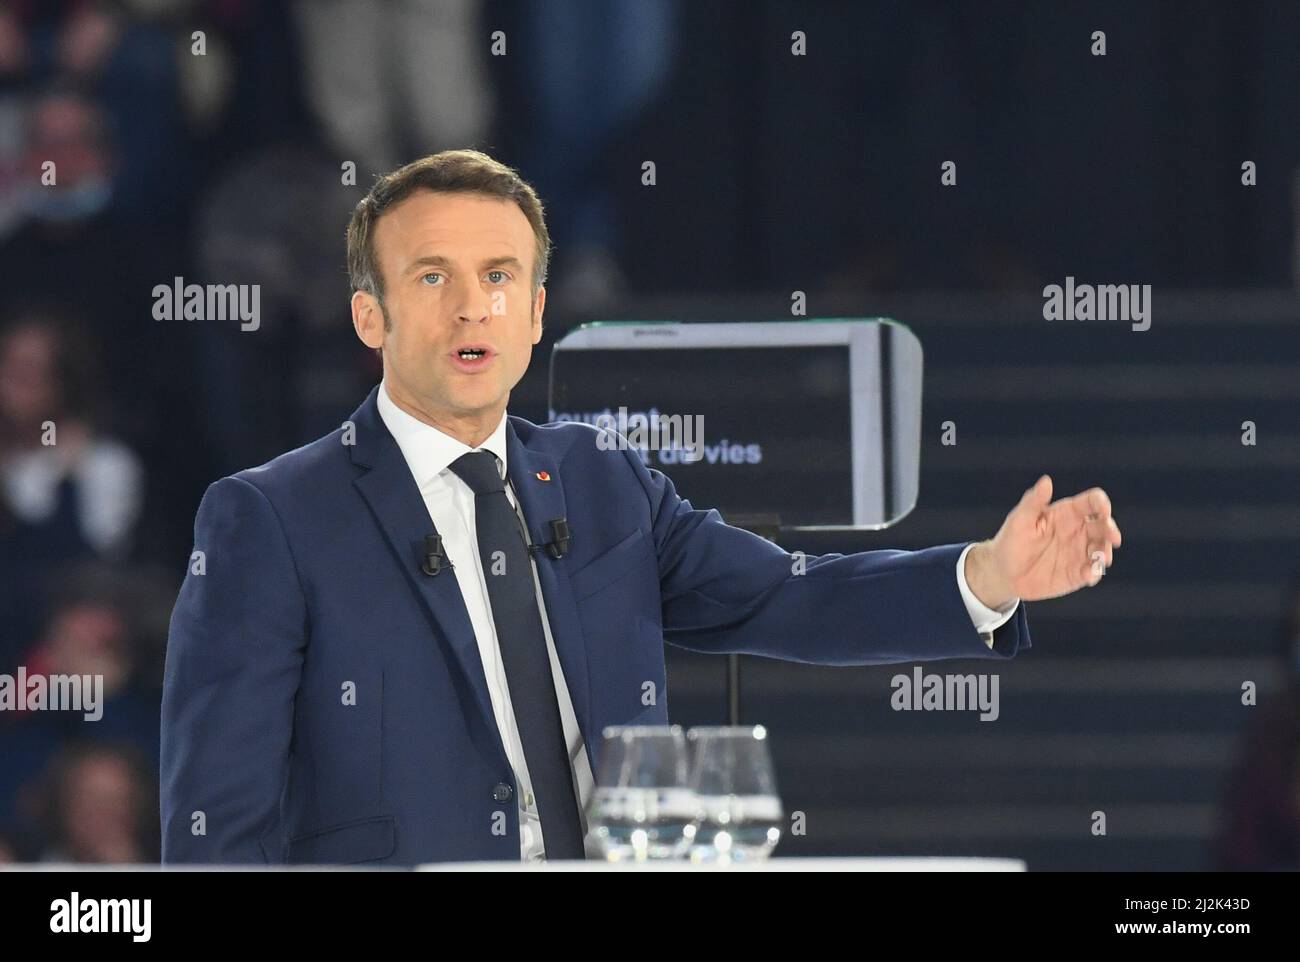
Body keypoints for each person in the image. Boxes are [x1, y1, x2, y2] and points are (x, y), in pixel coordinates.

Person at [160, 149, 1122, 866]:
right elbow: (217, 824)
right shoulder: (270, 519)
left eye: (499, 278)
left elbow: (784, 598)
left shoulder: (602, 484)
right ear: (371, 316)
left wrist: (986, 578)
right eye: (431, 277)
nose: (471, 308)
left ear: (537, 313)